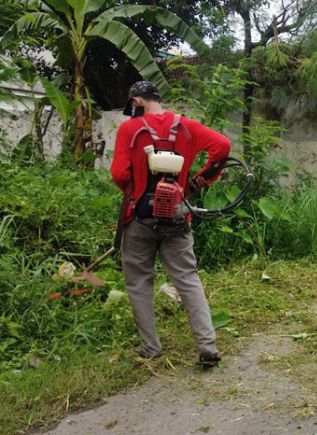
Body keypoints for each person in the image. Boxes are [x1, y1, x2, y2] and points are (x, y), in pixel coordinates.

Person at [110, 81, 231, 366]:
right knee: (188, 279)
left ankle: (150, 347)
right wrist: (199, 180)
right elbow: (223, 146)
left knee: (139, 282)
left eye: (133, 106)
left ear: (137, 100)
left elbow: (118, 173)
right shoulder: (186, 126)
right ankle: (208, 346)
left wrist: (135, 191)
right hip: (177, 214)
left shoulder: (130, 129)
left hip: (140, 219)